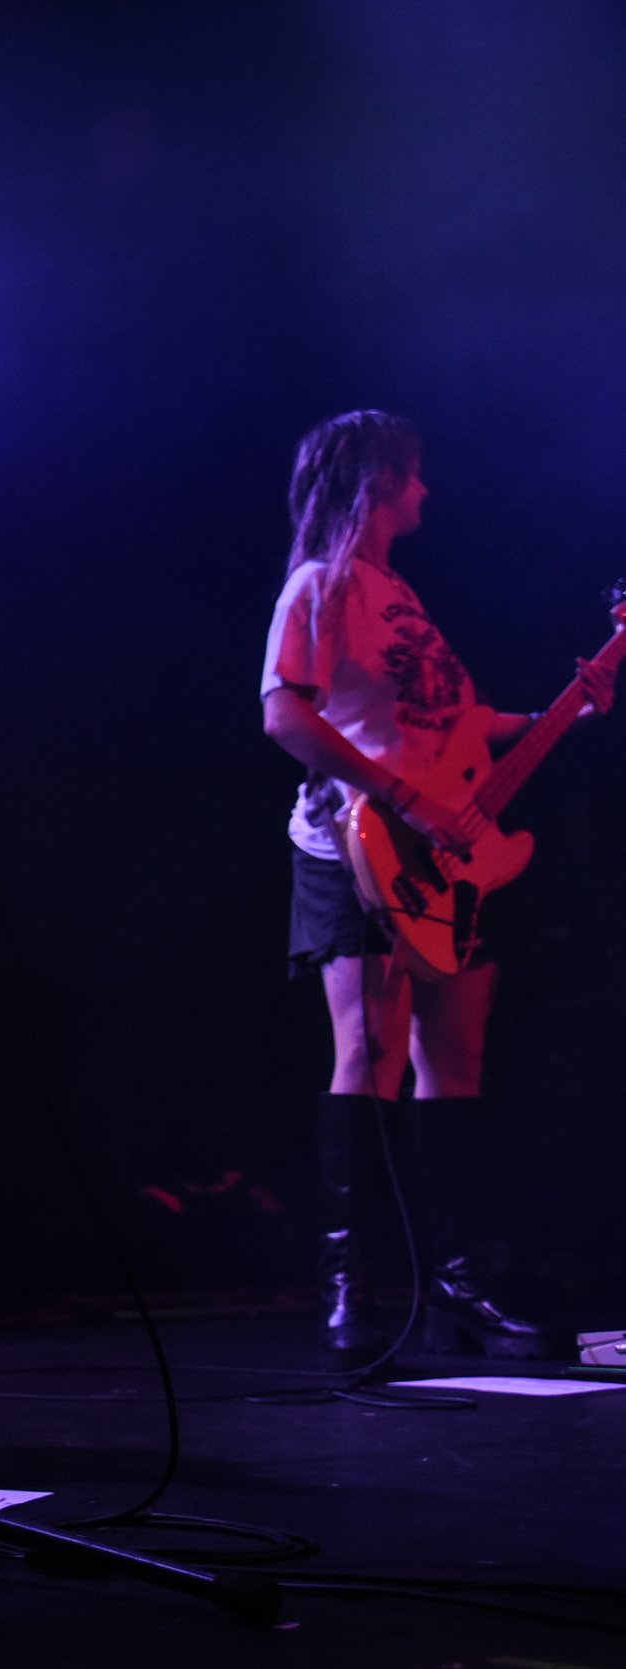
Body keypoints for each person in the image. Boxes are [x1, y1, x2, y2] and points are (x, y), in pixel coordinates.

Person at [259, 410, 610, 1358]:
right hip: (361, 846)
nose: (427, 492)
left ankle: (459, 1278)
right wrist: (403, 800)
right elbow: (285, 715)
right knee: (364, 1055)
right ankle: (348, 1284)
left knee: (454, 1063)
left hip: (456, 855)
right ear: (375, 481)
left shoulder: (399, 593)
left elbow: (454, 723)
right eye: (414, 476)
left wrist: (569, 705)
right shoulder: (321, 585)